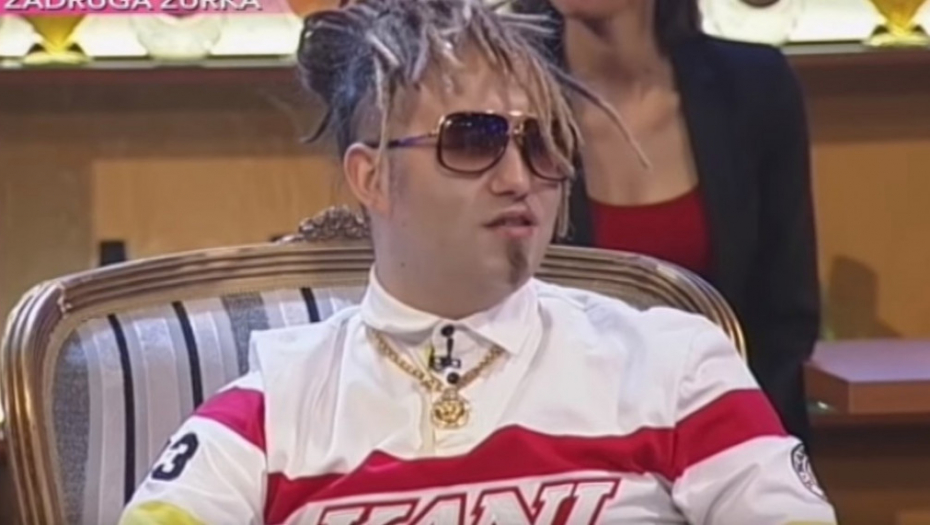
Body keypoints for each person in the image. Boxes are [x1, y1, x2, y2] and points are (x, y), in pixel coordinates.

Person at [119, 1, 835, 523]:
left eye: (542, 143)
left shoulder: (678, 368)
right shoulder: (269, 409)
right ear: (372, 177)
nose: (519, 177)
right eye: (472, 140)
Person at [511, 0, 821, 445]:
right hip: (556, 443)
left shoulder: (754, 88)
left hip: (728, 437)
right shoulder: (503, 99)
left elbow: (785, 317)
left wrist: (744, 450)